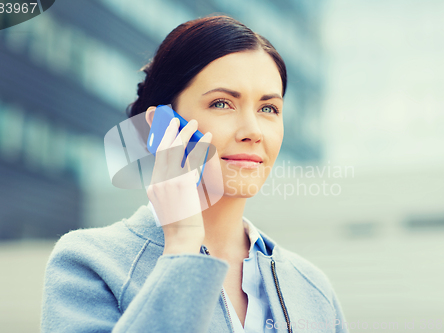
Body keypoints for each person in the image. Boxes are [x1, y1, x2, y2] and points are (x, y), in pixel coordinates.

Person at [40, 15, 349, 333]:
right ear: (161, 125)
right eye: (222, 103)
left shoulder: (313, 289)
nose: (253, 131)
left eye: (268, 108)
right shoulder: (91, 263)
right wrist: (182, 244)